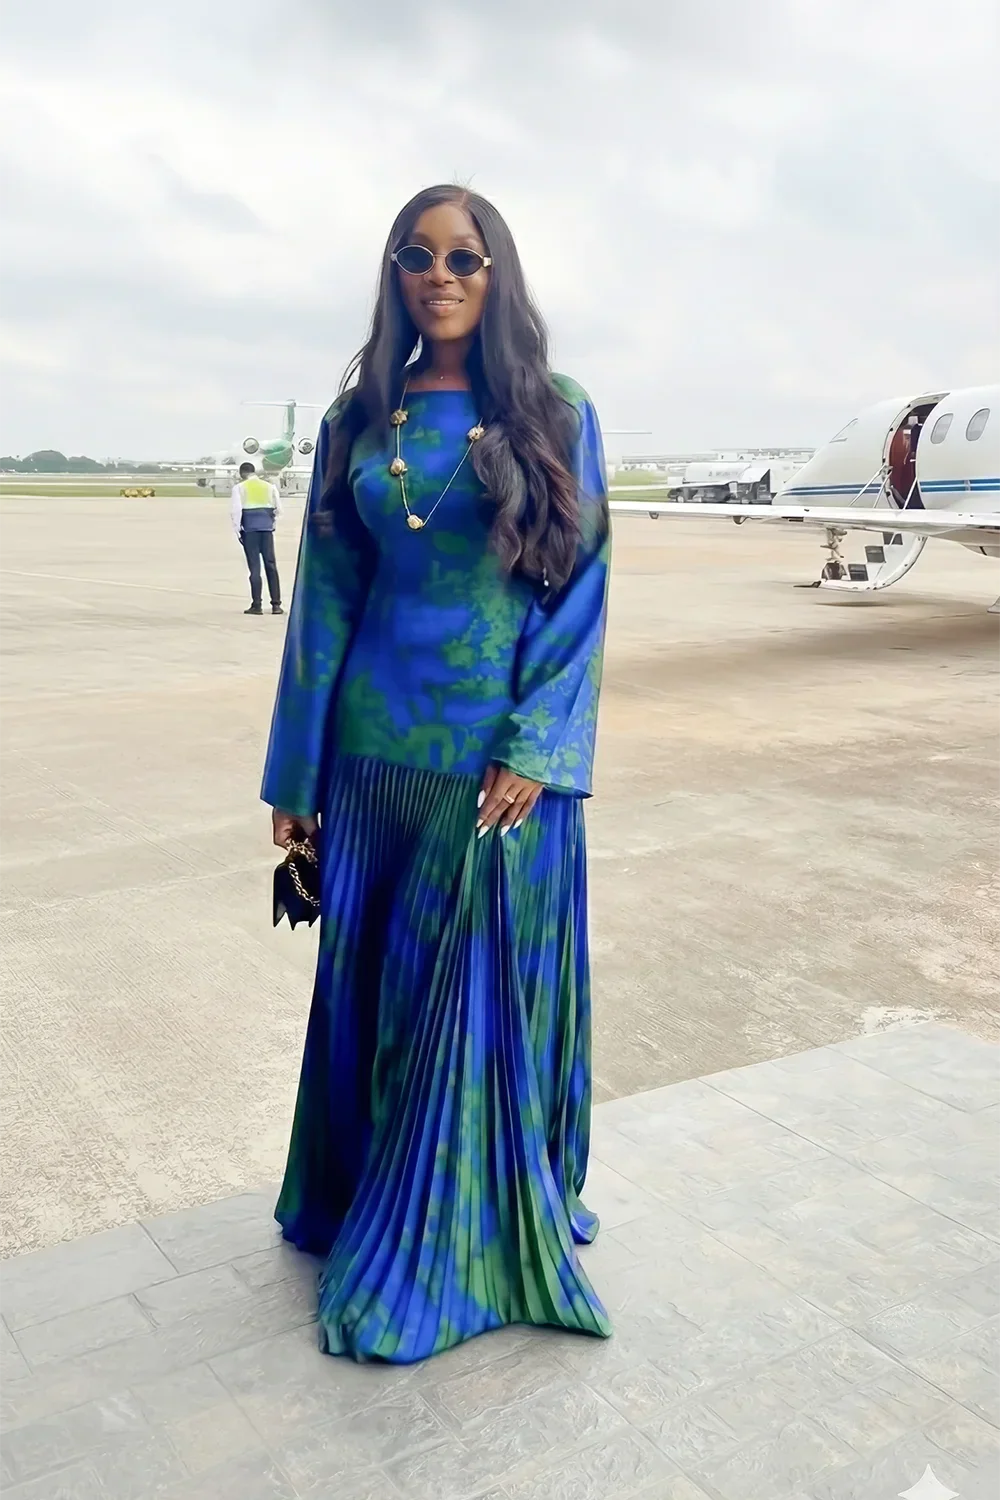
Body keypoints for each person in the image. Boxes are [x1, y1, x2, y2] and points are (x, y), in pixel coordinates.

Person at [261, 184, 612, 1364]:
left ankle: (452, 1238)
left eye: (463, 256)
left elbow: (578, 591)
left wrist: (537, 745)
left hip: (493, 769)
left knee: (465, 998)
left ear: (496, 271)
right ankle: (366, 1196)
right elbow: (322, 602)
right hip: (372, 758)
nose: (439, 275)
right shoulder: (357, 419)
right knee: (378, 991)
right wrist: (295, 772)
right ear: (395, 275)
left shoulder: (557, 412)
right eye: (416, 256)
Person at [231, 461, 283, 615]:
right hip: (266, 529)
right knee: (271, 565)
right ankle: (276, 605)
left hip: (250, 530)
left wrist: (238, 531)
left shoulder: (239, 488)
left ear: (242, 473)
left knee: (254, 567)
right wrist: (271, 524)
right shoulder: (269, 487)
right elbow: (278, 509)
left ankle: (257, 604)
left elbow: (236, 511)